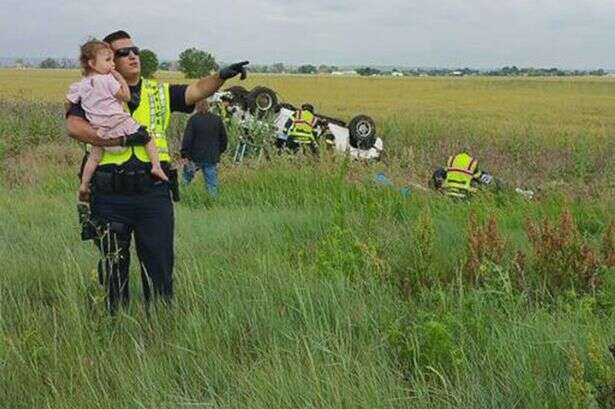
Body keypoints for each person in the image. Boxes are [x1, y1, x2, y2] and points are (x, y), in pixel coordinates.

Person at [66, 29, 248, 312]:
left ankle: (160, 325)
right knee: (113, 266)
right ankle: (115, 324)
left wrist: (221, 75)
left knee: (159, 265)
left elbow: (197, 90)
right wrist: (121, 140)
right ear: (107, 60)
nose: (132, 56)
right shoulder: (92, 89)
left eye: (135, 50)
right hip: (110, 193)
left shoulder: (158, 92)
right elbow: (74, 127)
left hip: (153, 192)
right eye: (122, 52)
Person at [66, 39, 167, 202]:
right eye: (108, 60)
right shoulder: (107, 80)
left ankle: (84, 185)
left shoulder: (80, 85)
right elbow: (126, 96)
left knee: (93, 157)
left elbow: (68, 103)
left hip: (100, 131)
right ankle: (156, 167)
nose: (112, 64)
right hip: (119, 124)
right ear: (92, 63)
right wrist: (120, 78)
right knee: (147, 138)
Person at [180, 99, 228, 195]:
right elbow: (224, 139)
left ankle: (179, 198)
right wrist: (219, 152)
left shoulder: (193, 120)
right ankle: (212, 204)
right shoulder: (217, 120)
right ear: (208, 106)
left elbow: (187, 140)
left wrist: (184, 155)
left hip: (194, 157)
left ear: (197, 107)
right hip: (211, 156)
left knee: (185, 180)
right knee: (211, 184)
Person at [430, 151, 501, 199]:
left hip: (447, 195)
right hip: (465, 196)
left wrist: (437, 188)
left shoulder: (449, 167)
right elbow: (483, 178)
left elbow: (436, 176)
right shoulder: (471, 166)